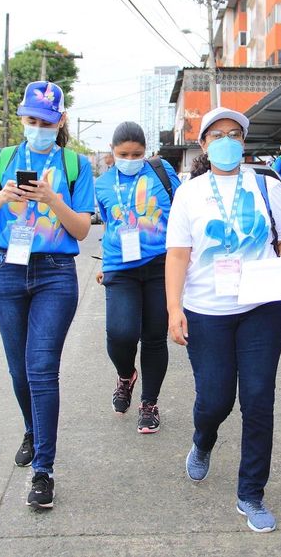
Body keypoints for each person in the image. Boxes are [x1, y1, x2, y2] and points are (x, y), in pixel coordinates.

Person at [165, 106, 281, 533]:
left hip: (263, 307)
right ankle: (203, 439)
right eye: (218, 134)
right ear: (204, 144)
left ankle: (251, 493)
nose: (227, 140)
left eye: (235, 134)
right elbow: (178, 254)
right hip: (207, 310)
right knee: (216, 400)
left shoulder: (267, 185)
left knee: (259, 399)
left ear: (244, 142)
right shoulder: (189, 192)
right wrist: (173, 309)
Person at [0, 81, 95, 509]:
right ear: (22, 120)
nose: (37, 127)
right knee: (19, 372)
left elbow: (80, 229)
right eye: (30, 120)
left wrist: (52, 198)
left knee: (41, 370)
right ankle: (31, 428)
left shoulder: (76, 165)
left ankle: (44, 470)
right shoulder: (1, 159)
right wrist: (4, 194)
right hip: (5, 271)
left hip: (55, 274)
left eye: (45, 120)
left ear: (60, 121)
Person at [94, 121, 180, 433]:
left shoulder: (161, 171)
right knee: (120, 333)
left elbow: (182, 212)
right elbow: (109, 224)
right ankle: (125, 374)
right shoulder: (102, 184)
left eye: (137, 154)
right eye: (123, 154)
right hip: (120, 265)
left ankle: (149, 403)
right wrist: (104, 263)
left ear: (146, 152)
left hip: (160, 263)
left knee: (155, 336)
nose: (130, 159)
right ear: (112, 153)